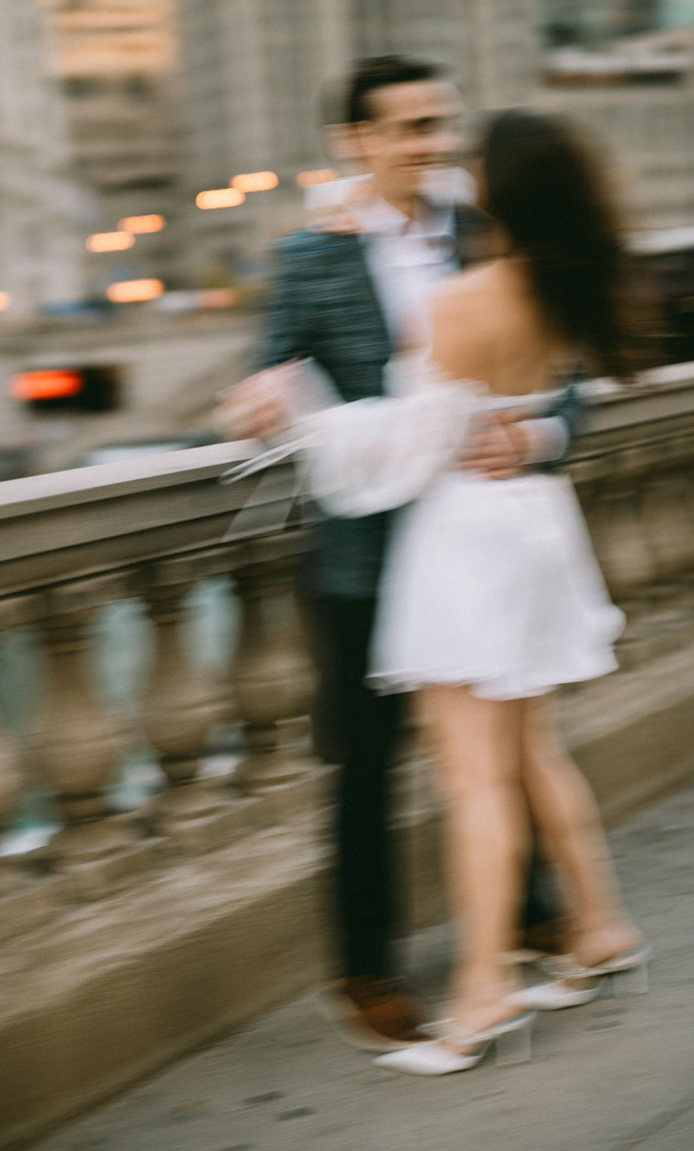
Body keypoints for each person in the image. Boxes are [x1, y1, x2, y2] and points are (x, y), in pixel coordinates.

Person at [257, 107, 649, 1076]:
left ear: (501, 187)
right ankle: (599, 928)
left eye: (469, 154)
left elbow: (406, 450)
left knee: (473, 776)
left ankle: (482, 995)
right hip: (534, 531)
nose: (454, 164)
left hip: (463, 542)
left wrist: (300, 416)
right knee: (535, 753)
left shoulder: (465, 297)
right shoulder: (566, 283)